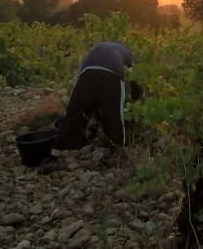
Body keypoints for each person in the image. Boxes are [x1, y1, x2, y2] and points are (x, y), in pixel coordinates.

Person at [40, 42, 137, 174]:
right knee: (115, 117)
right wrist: (137, 98)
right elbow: (136, 78)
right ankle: (118, 154)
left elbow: (92, 98)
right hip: (111, 76)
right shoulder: (129, 54)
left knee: (72, 114)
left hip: (86, 74)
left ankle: (53, 156)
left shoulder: (98, 47)